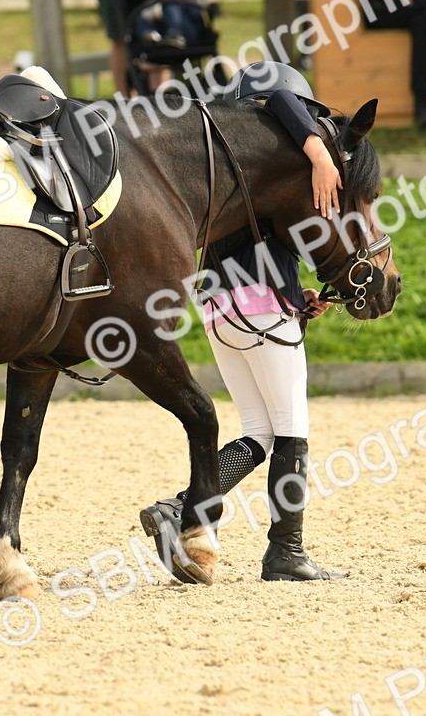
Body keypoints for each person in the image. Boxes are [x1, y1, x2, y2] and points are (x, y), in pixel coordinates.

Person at [140, 61, 345, 583]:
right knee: (292, 430)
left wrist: (298, 296)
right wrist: (320, 152)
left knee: (258, 432)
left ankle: (180, 508)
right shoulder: (278, 161)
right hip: (263, 307)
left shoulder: (227, 164)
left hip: (218, 306)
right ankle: (286, 552)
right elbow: (280, 98)